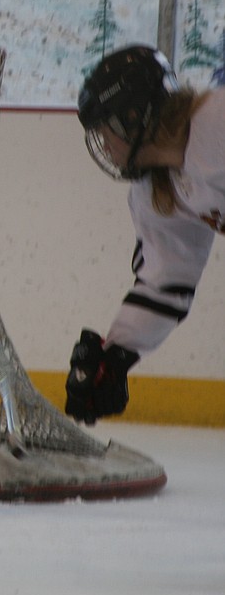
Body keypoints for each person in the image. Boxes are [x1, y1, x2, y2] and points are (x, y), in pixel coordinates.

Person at [66, 44, 225, 423]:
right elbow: (165, 281)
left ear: (132, 116)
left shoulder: (217, 122)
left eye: (106, 130)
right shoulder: (157, 193)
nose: (103, 145)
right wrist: (116, 356)